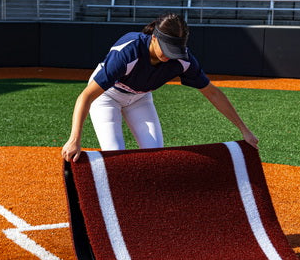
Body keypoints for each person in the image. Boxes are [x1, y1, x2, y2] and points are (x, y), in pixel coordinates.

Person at [61, 13, 258, 162]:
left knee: (155, 155)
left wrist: (244, 130)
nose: (169, 55)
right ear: (154, 38)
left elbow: (213, 93)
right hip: (107, 97)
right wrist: (74, 138)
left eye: (174, 51)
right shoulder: (128, 53)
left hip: (140, 98)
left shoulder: (183, 60)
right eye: (166, 49)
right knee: (116, 155)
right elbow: (86, 96)